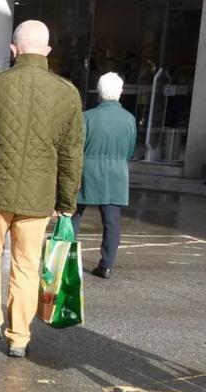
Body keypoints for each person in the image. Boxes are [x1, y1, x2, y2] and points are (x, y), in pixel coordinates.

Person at [0, 20, 84, 358]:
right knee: (26, 265)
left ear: (13, 50)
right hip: (38, 196)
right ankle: (19, 337)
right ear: (47, 51)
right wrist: (66, 200)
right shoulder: (67, 92)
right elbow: (72, 154)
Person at [75, 72, 136, 280]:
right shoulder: (129, 119)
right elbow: (130, 149)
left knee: (73, 215)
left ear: (98, 91)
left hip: (87, 170)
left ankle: (66, 257)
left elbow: (77, 147)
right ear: (120, 92)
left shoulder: (87, 117)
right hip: (116, 173)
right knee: (112, 222)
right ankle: (106, 264)